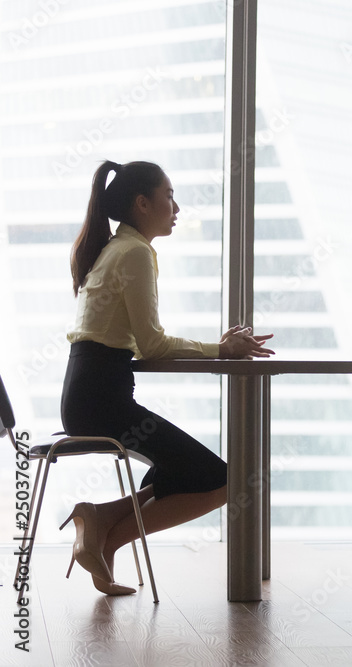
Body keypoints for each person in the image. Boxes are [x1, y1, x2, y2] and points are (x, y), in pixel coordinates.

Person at [60, 160, 275, 596]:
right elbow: (152, 345)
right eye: (169, 195)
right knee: (224, 481)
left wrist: (218, 348)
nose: (176, 206)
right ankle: (105, 534)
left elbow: (138, 344)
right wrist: (222, 350)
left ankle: (99, 524)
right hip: (102, 399)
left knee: (181, 472)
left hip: (87, 394)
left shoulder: (115, 249)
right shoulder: (135, 252)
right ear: (143, 203)